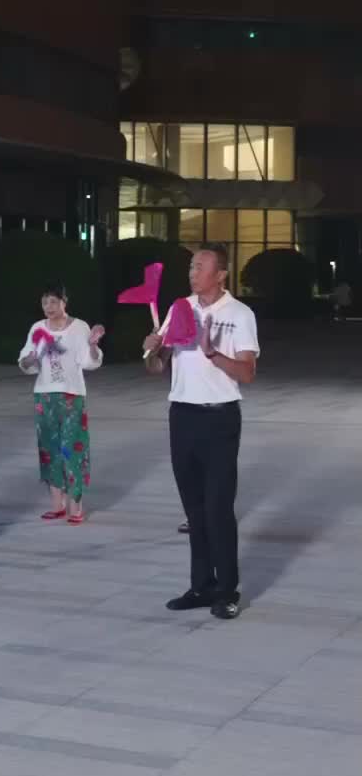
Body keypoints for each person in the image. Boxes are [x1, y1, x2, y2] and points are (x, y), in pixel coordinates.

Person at [144, 243, 259, 621]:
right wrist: (152, 350)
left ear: (220, 274)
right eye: (191, 266)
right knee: (194, 509)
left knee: (218, 508)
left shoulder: (239, 314)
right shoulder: (180, 308)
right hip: (182, 415)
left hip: (220, 418)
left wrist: (211, 352)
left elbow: (247, 373)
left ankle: (227, 590)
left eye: (199, 267)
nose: (192, 273)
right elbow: (156, 368)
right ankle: (201, 585)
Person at [18, 284, 104, 524]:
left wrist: (93, 345)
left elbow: (90, 362)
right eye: (45, 302)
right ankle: (57, 504)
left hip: (71, 396)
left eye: (54, 302)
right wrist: (30, 359)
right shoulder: (37, 328)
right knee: (49, 450)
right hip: (44, 397)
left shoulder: (79, 327)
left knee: (70, 449)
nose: (49, 307)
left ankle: (76, 506)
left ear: (64, 302)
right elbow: (25, 362)